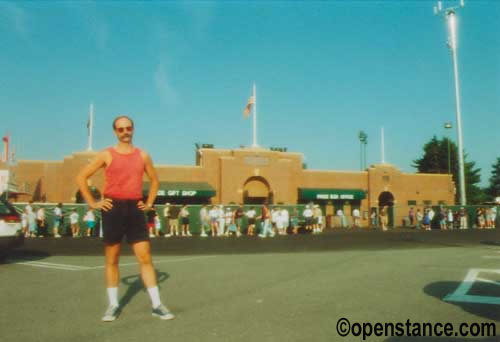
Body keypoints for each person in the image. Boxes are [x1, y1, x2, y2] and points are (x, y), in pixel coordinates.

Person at [76, 115, 174, 322]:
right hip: (113, 207)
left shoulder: (143, 155)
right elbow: (81, 177)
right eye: (121, 129)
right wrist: (93, 203)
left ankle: (157, 304)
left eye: (128, 128)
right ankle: (113, 305)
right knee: (112, 259)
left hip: (135, 208)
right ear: (115, 132)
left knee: (145, 258)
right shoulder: (106, 154)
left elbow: (155, 181)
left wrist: (148, 204)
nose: (125, 132)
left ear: (133, 129)